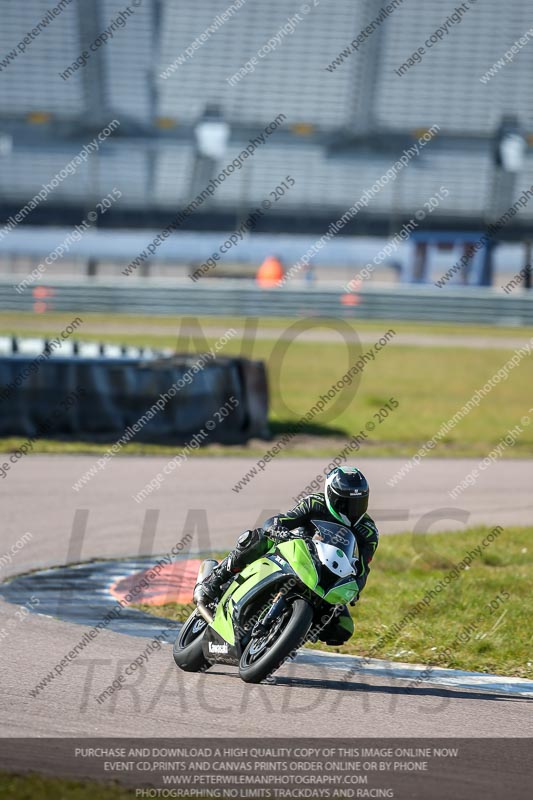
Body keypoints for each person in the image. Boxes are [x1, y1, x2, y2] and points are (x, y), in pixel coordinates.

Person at [195, 466, 379, 645]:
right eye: (344, 502)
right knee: (258, 538)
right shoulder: (315, 503)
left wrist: (355, 589)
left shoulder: (368, 531)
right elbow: (283, 520)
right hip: (297, 554)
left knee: (343, 628)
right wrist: (276, 528)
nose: (351, 509)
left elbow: (363, 569)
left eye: (358, 502)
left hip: (329, 576)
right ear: (330, 494)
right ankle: (215, 579)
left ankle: (290, 636)